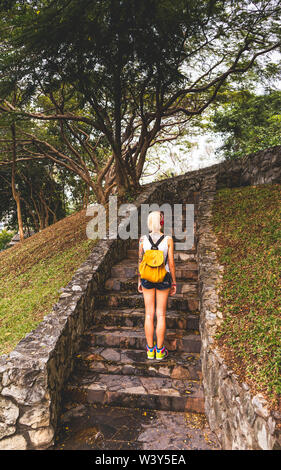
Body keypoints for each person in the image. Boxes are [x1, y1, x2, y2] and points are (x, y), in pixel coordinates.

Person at [138, 210, 176, 360]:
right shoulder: (168, 239)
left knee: (149, 314)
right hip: (163, 278)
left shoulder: (142, 240)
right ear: (161, 222)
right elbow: (171, 263)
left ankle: (149, 350)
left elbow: (140, 262)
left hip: (147, 278)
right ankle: (160, 351)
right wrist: (174, 281)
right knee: (161, 315)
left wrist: (139, 281)